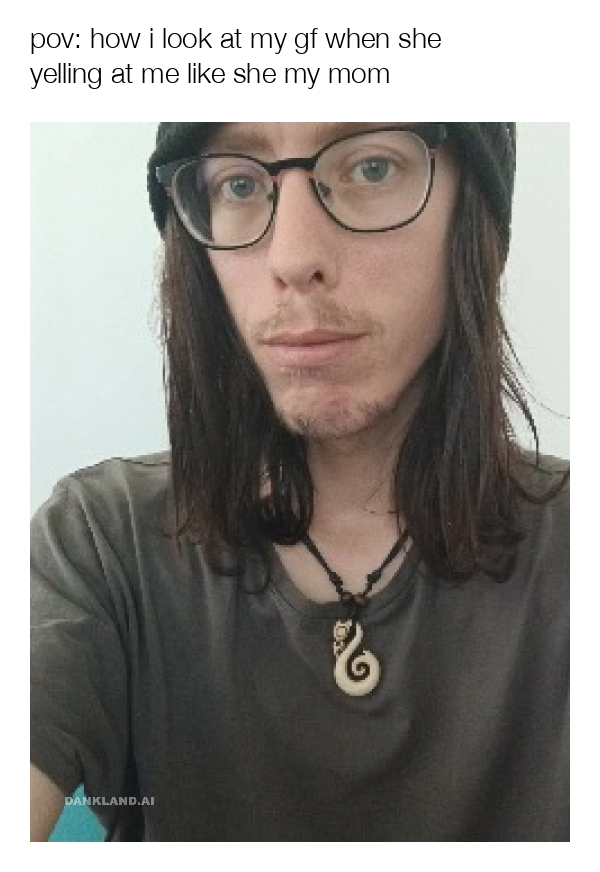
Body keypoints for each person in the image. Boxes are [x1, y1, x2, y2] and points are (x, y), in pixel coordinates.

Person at [31, 123, 569, 841]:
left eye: (372, 168)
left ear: (474, 213)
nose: (292, 258)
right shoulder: (100, 545)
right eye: (240, 184)